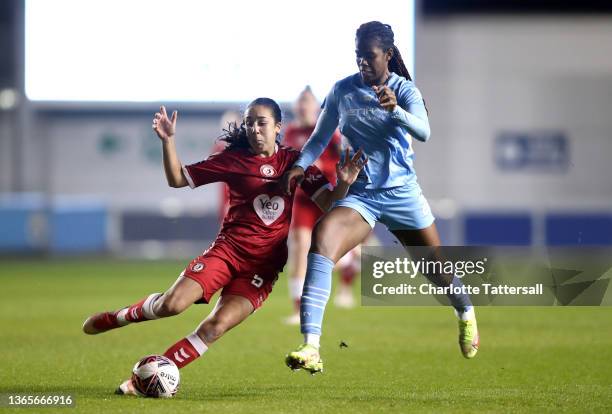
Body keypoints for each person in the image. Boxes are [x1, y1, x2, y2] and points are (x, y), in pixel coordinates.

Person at [82, 98, 366, 395]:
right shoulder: (234, 160)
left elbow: (327, 204)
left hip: (263, 268)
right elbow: (178, 178)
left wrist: (344, 184)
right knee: (172, 305)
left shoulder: (296, 163)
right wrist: (168, 141)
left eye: (262, 122)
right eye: (249, 123)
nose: (254, 129)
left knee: (214, 328)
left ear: (278, 127)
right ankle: (120, 316)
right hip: (227, 252)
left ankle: (144, 380)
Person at [283, 21, 479, 375]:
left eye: (369, 56)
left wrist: (396, 111)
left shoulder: (404, 90)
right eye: (358, 56)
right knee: (322, 239)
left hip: (402, 194)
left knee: (434, 269)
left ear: (387, 55)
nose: (362, 63)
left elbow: (425, 132)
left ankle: (464, 310)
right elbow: (318, 137)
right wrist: (300, 165)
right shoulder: (343, 91)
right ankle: (311, 346)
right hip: (362, 196)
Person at [282, 87, 362, 324]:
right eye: (300, 102)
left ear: (316, 107)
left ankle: (347, 267)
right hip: (302, 199)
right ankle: (299, 310)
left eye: (308, 102)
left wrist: (322, 167)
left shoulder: (328, 132)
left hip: (327, 194)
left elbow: (344, 162)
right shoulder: (291, 132)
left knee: (330, 251)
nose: (303, 106)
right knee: (299, 250)